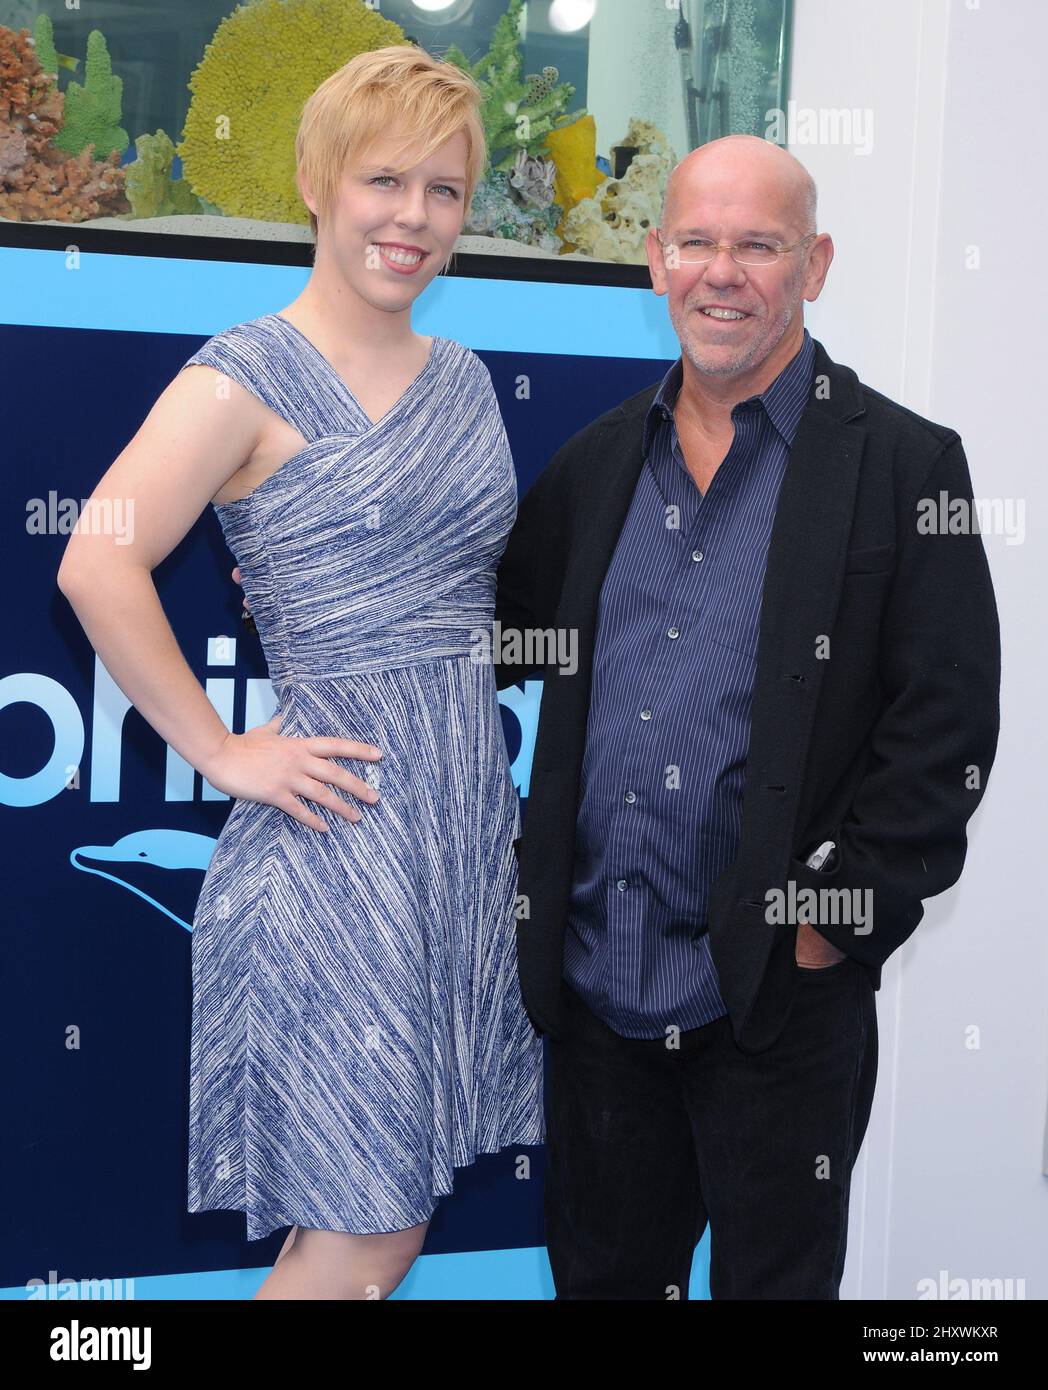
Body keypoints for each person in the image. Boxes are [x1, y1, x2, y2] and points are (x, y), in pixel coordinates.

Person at [57, 45, 543, 1301]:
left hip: (454, 833)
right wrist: (222, 750)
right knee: (368, 1224)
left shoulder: (467, 382)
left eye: (445, 189)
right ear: (316, 183)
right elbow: (95, 565)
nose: (415, 217)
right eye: (386, 179)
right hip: (336, 838)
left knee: (379, 1219)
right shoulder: (243, 373)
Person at [491, 134, 1001, 1298]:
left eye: (759, 245)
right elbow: (491, 630)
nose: (724, 272)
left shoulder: (905, 467)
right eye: (698, 243)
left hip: (775, 1003)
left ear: (812, 265)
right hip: (596, 998)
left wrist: (824, 927)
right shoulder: (595, 461)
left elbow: (946, 730)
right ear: (656, 261)